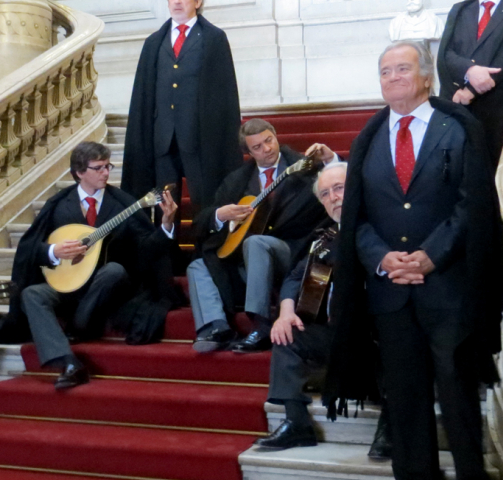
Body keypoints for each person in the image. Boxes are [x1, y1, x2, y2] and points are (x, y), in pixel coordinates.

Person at [307, 41, 503, 480]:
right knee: (404, 399)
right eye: (385, 71)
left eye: (403, 68)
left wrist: (430, 257)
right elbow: (355, 218)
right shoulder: (366, 141)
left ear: (425, 77)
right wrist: (383, 259)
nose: (393, 77)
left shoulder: (457, 128)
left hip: (448, 290)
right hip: (390, 294)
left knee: (457, 397)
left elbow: (470, 203)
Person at [10, 142, 178, 391]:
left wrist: (165, 224)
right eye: (98, 168)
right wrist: (53, 251)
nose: (106, 173)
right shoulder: (59, 204)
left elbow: (147, 247)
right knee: (31, 294)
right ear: (79, 172)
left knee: (114, 271)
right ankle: (67, 362)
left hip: (103, 290)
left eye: (107, 166)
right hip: (66, 284)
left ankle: (79, 327)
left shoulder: (122, 203)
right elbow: (29, 249)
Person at [253, 162, 392, 458]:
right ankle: (297, 422)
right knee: (286, 335)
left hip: (377, 336)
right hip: (337, 335)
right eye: (326, 194)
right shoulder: (325, 238)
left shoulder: (381, 228)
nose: (333, 197)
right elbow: (295, 277)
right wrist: (287, 311)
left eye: (339, 188)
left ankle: (391, 425)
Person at [188, 119, 327, 354]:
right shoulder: (237, 181)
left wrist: (330, 160)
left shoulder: (304, 166)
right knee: (197, 266)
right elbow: (201, 222)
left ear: (275, 136)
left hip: (293, 253)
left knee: (256, 242)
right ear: (249, 153)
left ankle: (261, 324)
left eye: (269, 140)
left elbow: (339, 178)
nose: (267, 149)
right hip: (248, 263)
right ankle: (216, 326)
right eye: (258, 147)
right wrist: (220, 214)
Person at [121, 0, 242, 214]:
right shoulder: (154, 42)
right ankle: (165, 246)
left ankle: (203, 246)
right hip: (163, 141)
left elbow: (224, 94)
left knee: (204, 203)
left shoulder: (214, 39)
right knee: (164, 208)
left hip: (199, 140)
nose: (177, 2)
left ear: (198, 2)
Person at [437, 0, 503, 166]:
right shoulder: (461, 9)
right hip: (455, 110)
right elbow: (444, 55)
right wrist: (469, 70)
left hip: (494, 116)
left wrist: (470, 91)